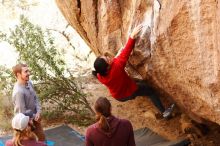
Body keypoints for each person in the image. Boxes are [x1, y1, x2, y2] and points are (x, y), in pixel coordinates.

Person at [92, 25, 174, 118]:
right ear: (107, 68)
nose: (107, 57)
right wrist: (132, 36)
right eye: (107, 59)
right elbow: (125, 53)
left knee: (139, 84)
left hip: (119, 96)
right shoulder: (117, 68)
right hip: (129, 91)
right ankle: (164, 113)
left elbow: (115, 60)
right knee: (150, 91)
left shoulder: (100, 75)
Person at [12, 63, 46, 141]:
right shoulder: (18, 92)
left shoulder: (29, 83)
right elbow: (22, 113)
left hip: (34, 118)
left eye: (28, 71)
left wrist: (38, 112)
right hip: (24, 124)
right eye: (26, 72)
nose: (28, 73)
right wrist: (35, 116)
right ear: (18, 74)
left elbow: (35, 98)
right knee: (28, 142)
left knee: (42, 139)